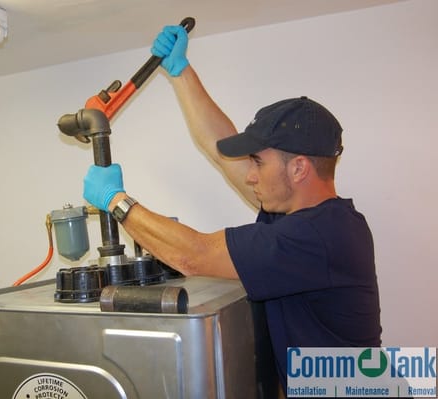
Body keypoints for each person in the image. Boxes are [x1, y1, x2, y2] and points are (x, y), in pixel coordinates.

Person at [82, 24, 382, 394]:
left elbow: (194, 255)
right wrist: (182, 73)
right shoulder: (299, 213)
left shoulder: (316, 236)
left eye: (257, 162)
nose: (250, 175)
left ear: (299, 168)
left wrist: (116, 201)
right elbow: (221, 150)